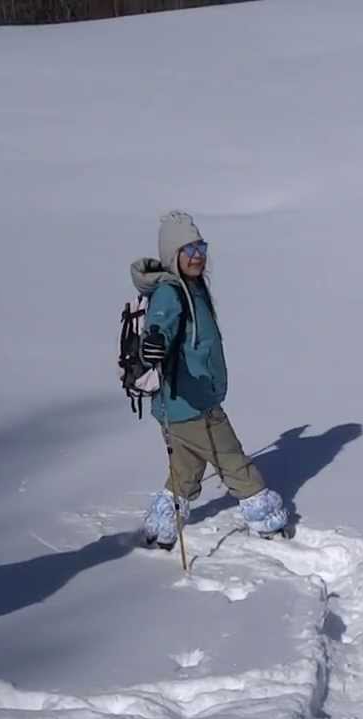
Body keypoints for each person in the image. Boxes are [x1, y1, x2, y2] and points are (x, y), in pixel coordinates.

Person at [130, 211, 289, 547]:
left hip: (180, 406)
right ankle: (267, 522)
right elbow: (159, 327)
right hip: (192, 403)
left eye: (200, 246)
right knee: (233, 461)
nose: (197, 255)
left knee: (185, 471)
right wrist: (154, 342)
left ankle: (161, 527)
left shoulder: (192, 287)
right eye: (187, 249)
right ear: (172, 255)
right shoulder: (170, 294)